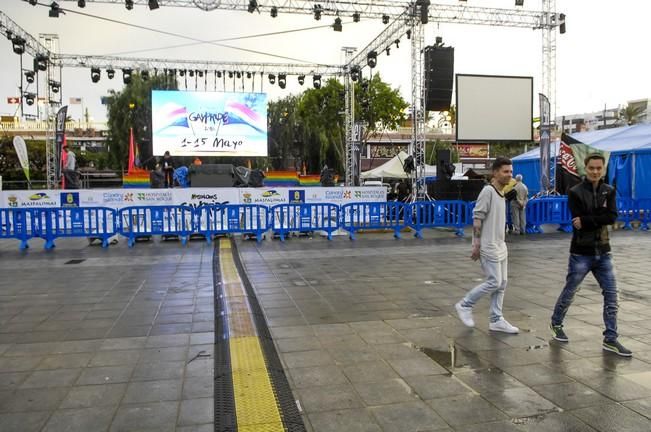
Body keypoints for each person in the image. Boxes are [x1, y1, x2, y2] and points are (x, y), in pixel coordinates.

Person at [550, 154, 631, 356]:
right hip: (581, 252)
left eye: (598, 168)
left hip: (604, 251)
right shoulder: (575, 191)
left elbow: (611, 217)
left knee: (612, 295)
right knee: (570, 291)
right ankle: (556, 322)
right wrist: (597, 217)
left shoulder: (609, 191)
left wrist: (588, 220)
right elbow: (578, 218)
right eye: (591, 168)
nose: (595, 171)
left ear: (603, 169)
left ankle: (611, 339)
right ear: (585, 169)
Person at [455, 157, 519, 334]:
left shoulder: (501, 193)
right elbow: (477, 218)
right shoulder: (488, 191)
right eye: (505, 171)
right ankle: (465, 304)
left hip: (500, 245)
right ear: (495, 172)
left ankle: (496, 319)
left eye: (510, 171)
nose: (509, 175)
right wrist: (476, 244)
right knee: (494, 281)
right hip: (488, 245)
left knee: (503, 282)